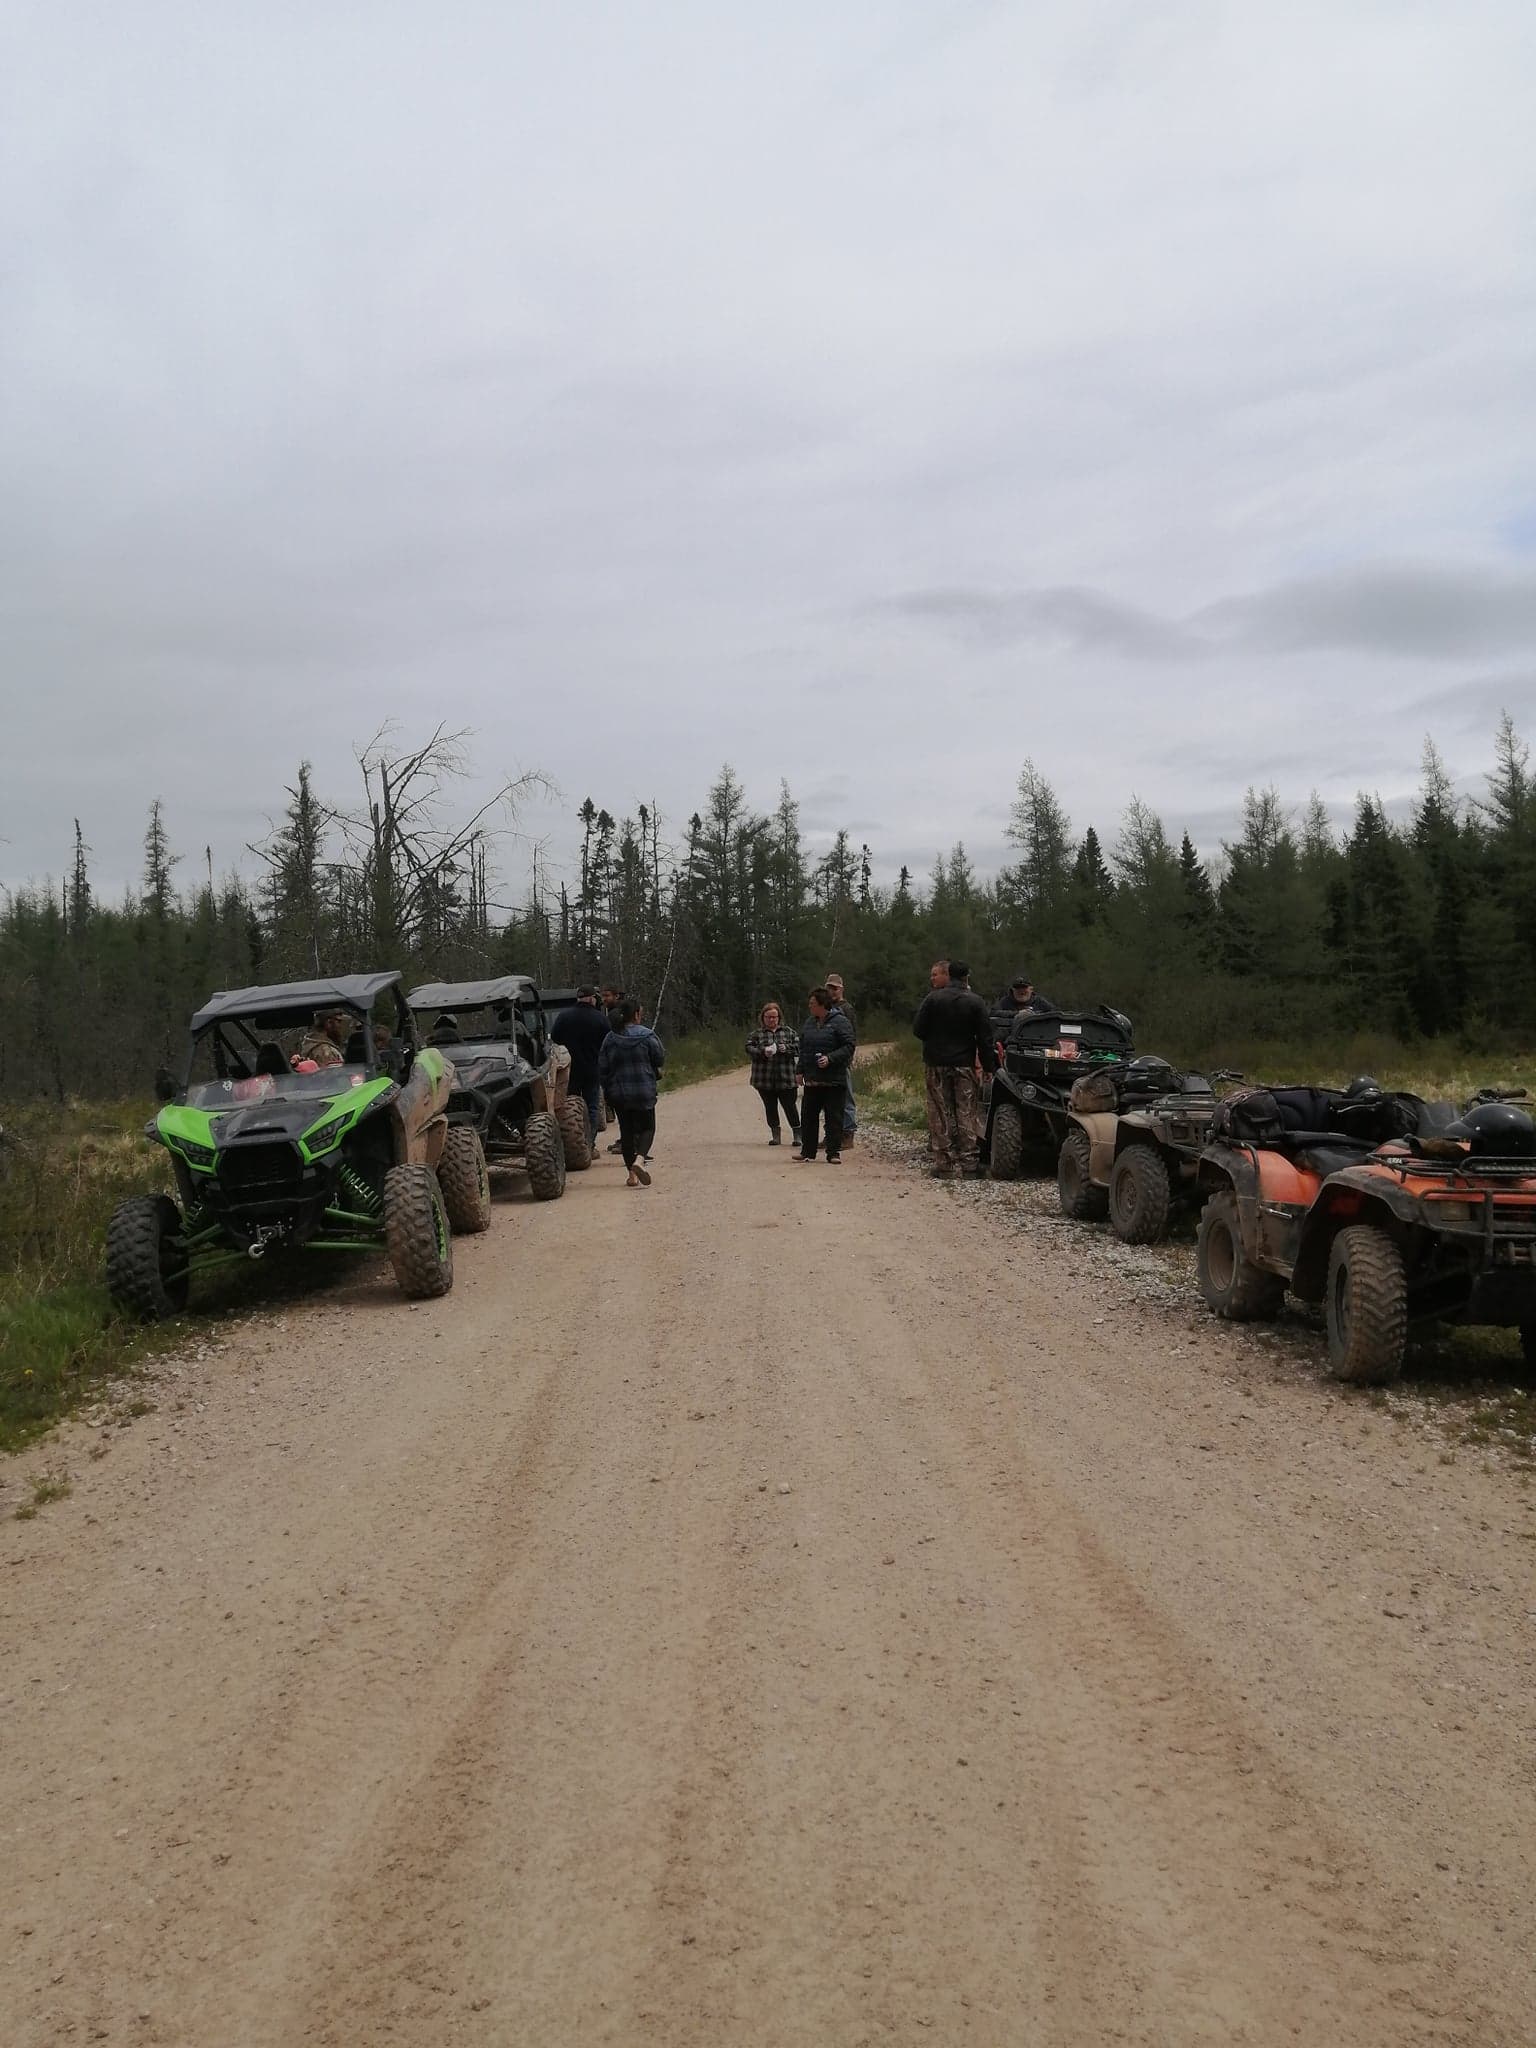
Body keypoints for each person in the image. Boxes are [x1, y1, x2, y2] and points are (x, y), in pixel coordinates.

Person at [913, 957, 997, 1177]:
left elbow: (918, 1030)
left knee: (940, 1113)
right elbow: (985, 1038)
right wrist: (989, 1067)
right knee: (966, 1112)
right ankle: (969, 1164)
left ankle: (945, 1164)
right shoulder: (976, 1002)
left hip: (936, 1063)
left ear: (949, 975)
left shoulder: (933, 999)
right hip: (964, 1063)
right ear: (966, 977)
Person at [598, 996, 666, 1188]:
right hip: (643, 1090)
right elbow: (659, 1059)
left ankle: (631, 1175)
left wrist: (608, 1090)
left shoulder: (610, 1038)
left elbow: (602, 1066)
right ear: (636, 1014)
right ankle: (639, 1160)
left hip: (620, 1093)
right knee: (647, 1128)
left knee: (626, 1132)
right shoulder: (647, 1035)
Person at [796, 986, 856, 1164]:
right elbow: (804, 1048)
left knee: (833, 1117)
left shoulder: (841, 1022)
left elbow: (849, 1046)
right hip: (813, 1079)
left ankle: (833, 1152)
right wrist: (799, 1071)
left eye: (813, 1003)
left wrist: (830, 1058)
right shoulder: (809, 1022)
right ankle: (807, 1151)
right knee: (808, 1116)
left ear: (823, 1004)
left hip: (833, 1079)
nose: (810, 1006)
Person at [552, 986, 610, 1156]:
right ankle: (589, 1145)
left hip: (570, 1069)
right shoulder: (600, 1018)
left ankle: (571, 1145)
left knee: (569, 1106)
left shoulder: (564, 1016)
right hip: (592, 1068)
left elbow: (555, 1037)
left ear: (578, 998)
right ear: (592, 999)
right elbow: (608, 1042)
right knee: (592, 1107)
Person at [745, 1000, 800, 1145]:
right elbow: (749, 1049)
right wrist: (763, 1052)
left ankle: (797, 1135)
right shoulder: (756, 1034)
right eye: (768, 1017)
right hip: (764, 1079)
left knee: (790, 1106)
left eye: (774, 1017)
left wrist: (785, 1048)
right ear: (763, 1018)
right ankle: (776, 1135)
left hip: (786, 1077)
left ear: (779, 1017)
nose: (771, 1020)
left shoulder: (789, 1032)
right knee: (770, 1107)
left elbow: (799, 1047)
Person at [825, 972, 858, 1145]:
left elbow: (851, 1037)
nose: (832, 991)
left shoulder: (847, 1009)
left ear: (841, 989)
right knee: (829, 1101)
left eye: (835, 988)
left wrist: (847, 1058)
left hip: (842, 1060)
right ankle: (831, 1135)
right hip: (827, 1060)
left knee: (846, 1099)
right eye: (829, 988)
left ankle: (848, 1134)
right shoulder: (825, 1008)